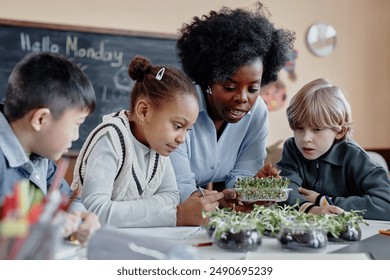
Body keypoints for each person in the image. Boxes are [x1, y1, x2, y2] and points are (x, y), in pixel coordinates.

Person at [170, 2, 295, 215]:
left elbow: (242, 177)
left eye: (253, 88)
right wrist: (220, 201)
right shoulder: (178, 108)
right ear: (207, 80)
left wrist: (246, 194)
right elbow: (179, 185)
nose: (242, 98)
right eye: (229, 87)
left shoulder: (257, 113)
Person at [71, 55, 202, 227]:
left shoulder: (158, 145)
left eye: (188, 129)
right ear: (144, 111)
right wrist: (173, 215)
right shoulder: (111, 138)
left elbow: (171, 196)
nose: (182, 139)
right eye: (177, 126)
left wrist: (119, 211)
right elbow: (95, 211)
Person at [0, 52, 101, 244]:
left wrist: (79, 218)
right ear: (40, 119)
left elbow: (68, 198)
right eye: (77, 123)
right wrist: (45, 226)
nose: (77, 136)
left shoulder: (39, 153)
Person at [277, 78, 390, 220]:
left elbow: (386, 204)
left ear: (340, 131)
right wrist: (309, 208)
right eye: (299, 128)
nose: (306, 138)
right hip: (307, 230)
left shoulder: (354, 156)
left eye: (317, 129)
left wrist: (323, 201)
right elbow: (284, 190)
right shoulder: (292, 149)